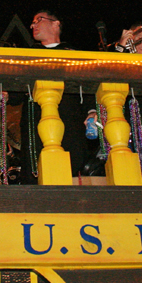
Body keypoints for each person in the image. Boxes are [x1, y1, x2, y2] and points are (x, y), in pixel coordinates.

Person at [17, 10, 86, 183]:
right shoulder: (28, 54)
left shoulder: (74, 54)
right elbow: (16, 94)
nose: (33, 25)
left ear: (56, 24)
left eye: (38, 20)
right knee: (35, 171)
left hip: (69, 120)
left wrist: (91, 111)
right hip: (35, 121)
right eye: (32, 22)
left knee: (70, 169)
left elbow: (87, 88)